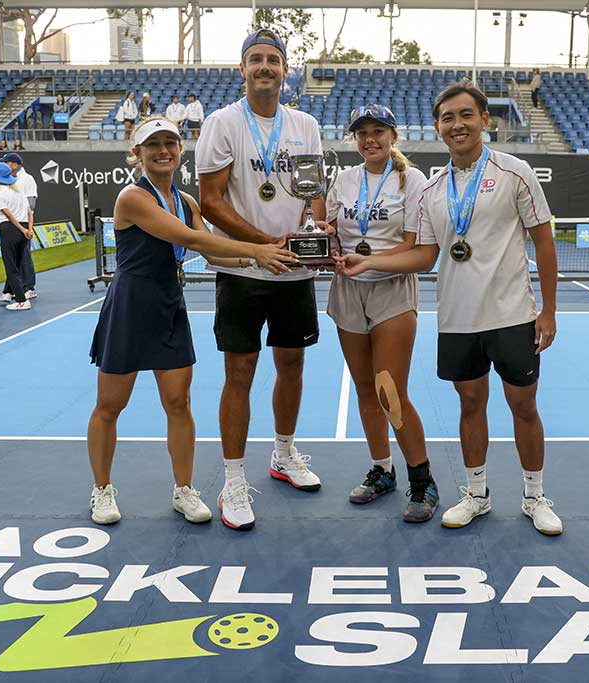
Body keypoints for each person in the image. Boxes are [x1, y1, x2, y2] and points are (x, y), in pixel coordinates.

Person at [338, 80, 563, 535]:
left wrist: (549, 311)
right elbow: (424, 256)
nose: (457, 125)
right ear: (437, 127)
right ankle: (476, 494)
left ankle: (534, 496)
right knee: (470, 405)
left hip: (513, 315)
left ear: (485, 119)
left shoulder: (516, 172)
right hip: (457, 318)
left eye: (465, 115)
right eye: (447, 118)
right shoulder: (434, 188)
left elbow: (544, 240)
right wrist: (370, 261)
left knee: (523, 406)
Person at [87, 118, 297, 526]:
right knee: (110, 406)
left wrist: (267, 260)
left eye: (170, 142)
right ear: (137, 154)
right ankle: (102, 490)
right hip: (130, 309)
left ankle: (184, 489)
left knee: (179, 403)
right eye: (153, 145)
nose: (163, 150)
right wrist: (259, 250)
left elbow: (213, 254)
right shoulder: (133, 198)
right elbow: (191, 240)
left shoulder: (186, 201)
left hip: (169, 305)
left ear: (181, 150)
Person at [196, 28, 329, 531]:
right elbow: (211, 202)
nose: (265, 67)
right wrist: (262, 246)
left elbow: (314, 195)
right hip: (242, 269)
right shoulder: (222, 123)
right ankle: (233, 480)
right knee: (240, 372)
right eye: (256, 59)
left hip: (292, 269)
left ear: (286, 69)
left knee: (291, 365)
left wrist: (314, 233)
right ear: (243, 69)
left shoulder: (305, 125)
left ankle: (283, 454)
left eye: (273, 59)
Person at [325, 104, 438, 521]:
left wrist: (370, 261)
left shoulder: (412, 180)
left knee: (390, 391)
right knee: (364, 389)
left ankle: (423, 481)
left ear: (393, 135)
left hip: (391, 289)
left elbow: (415, 250)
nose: (370, 139)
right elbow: (330, 231)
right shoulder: (343, 179)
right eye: (362, 133)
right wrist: (328, 244)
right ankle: (382, 470)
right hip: (348, 290)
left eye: (378, 131)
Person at [0, 162, 34, 311]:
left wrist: (22, 229)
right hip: (23, 229)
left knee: (11, 267)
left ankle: (21, 300)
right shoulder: (19, 191)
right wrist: (29, 229)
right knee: (17, 265)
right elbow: (29, 212)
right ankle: (12, 293)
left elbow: (8, 214)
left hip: (10, 229)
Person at [0, 152, 38, 301]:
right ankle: (11, 289)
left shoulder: (27, 179)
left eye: (6, 162)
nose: (4, 165)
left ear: (14, 165)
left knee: (24, 256)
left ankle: (30, 288)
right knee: (13, 259)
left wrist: (28, 226)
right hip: (11, 223)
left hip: (23, 222)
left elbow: (31, 204)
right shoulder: (6, 181)